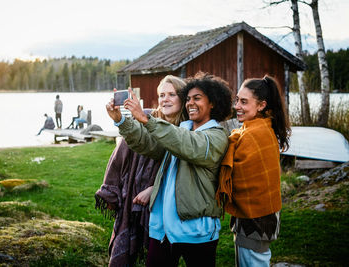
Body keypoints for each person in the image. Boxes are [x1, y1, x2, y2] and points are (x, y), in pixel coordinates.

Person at [106, 72, 233, 267]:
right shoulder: (183, 130)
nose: (190, 103)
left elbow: (187, 145)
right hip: (163, 230)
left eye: (197, 98)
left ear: (213, 103)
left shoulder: (216, 136)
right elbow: (147, 144)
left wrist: (147, 120)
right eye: (188, 99)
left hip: (196, 231)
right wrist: (122, 121)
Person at [96, 75, 188, 267]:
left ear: (183, 97)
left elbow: (179, 166)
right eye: (162, 94)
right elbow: (144, 143)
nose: (165, 99)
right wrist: (120, 119)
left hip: (173, 204)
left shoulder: (187, 129)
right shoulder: (148, 117)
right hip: (136, 191)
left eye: (172, 94)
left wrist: (154, 188)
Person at [216, 75, 291, 267]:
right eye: (237, 100)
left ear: (261, 105)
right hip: (261, 216)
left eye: (244, 101)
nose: (236, 106)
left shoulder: (254, 134)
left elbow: (242, 179)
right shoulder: (258, 128)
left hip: (256, 220)